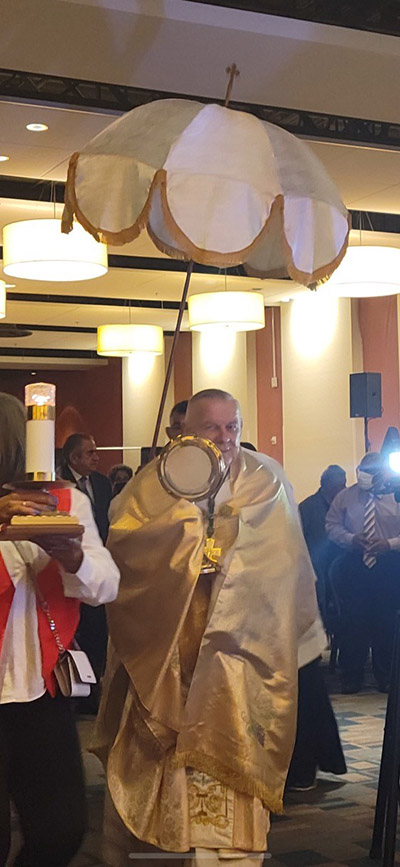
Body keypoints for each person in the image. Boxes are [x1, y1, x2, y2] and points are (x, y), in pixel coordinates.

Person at [93, 388, 320, 867]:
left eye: (232, 427)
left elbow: (287, 562)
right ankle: (156, 845)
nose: (224, 438)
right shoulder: (153, 484)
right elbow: (127, 558)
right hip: (169, 655)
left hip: (239, 656)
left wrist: (234, 563)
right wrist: (188, 545)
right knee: (162, 756)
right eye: (210, 428)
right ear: (182, 432)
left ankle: (231, 854)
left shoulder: (267, 481)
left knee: (232, 746)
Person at [0, 392, 120, 867]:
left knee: (62, 828)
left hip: (40, 688)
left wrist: (73, 559)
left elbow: (106, 583)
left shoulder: (64, 500)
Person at [326, 451, 400, 693]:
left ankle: (386, 675)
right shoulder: (345, 497)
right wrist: (350, 539)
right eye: (362, 471)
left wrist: (388, 544)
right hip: (354, 562)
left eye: (371, 472)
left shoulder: (396, 496)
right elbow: (332, 525)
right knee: (353, 621)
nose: (365, 476)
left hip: (388, 564)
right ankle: (351, 676)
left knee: (386, 621)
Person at [61, 433, 113, 708]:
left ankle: (92, 692)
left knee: (96, 631)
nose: (96, 457)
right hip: (66, 571)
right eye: (90, 453)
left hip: (95, 562)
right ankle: (76, 690)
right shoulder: (60, 486)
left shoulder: (102, 484)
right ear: (74, 458)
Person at [299, 465, 346, 620]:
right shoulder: (307, 508)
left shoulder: (344, 507)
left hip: (339, 571)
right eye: (340, 485)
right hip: (315, 573)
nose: (344, 489)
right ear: (327, 485)